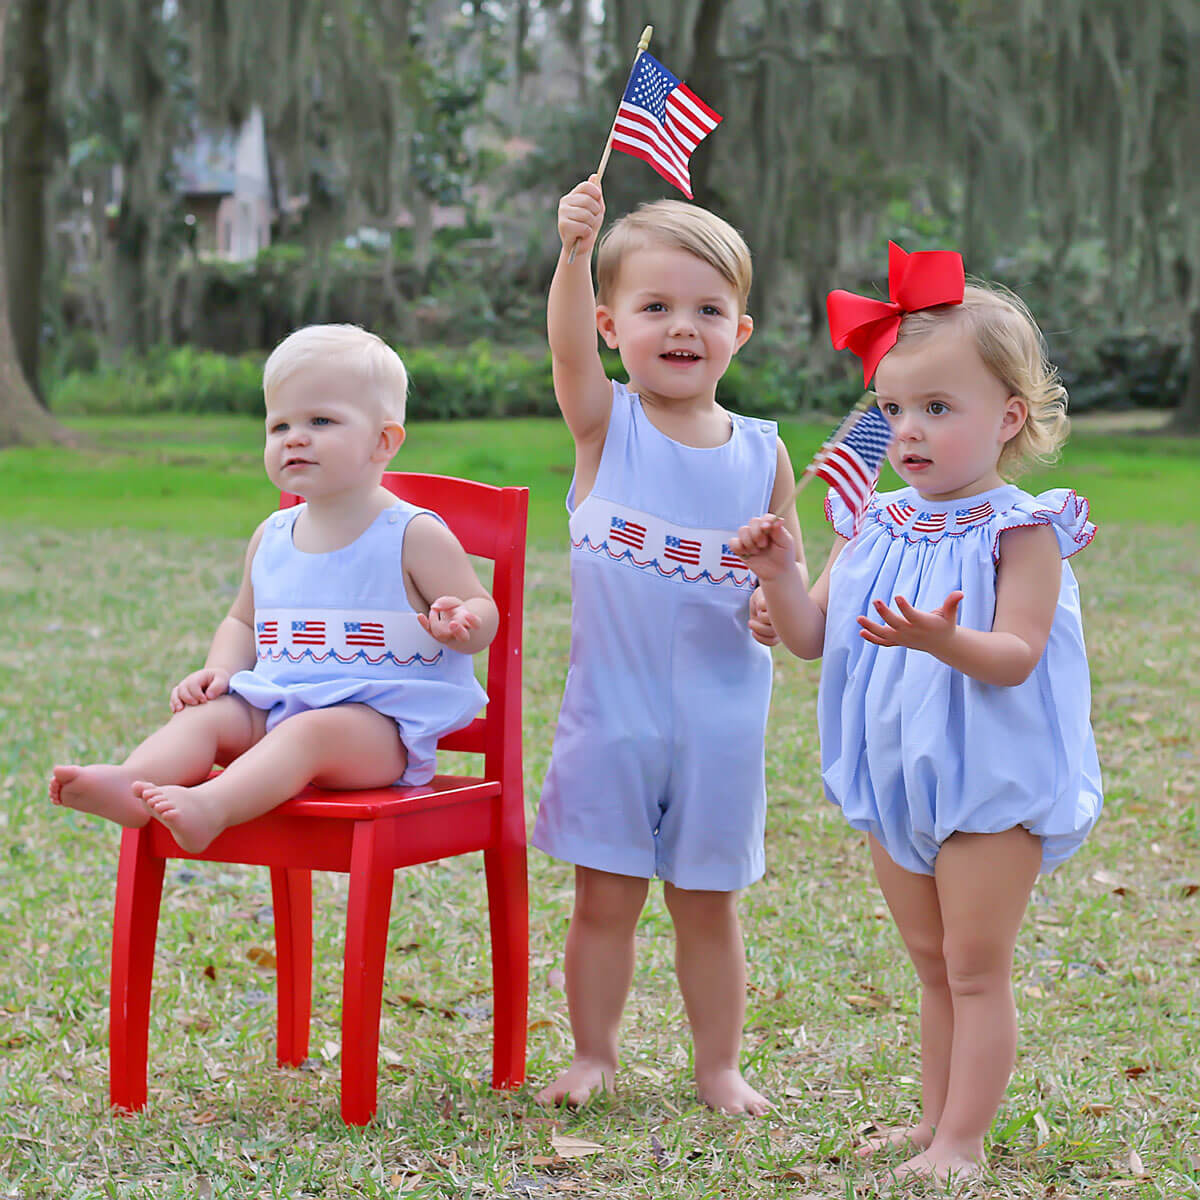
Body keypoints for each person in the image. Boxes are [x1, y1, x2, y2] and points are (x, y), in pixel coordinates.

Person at [731, 250, 1102, 1180]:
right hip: (898, 778)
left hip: (988, 780)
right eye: (893, 409)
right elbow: (813, 636)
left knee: (977, 970)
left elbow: (1015, 657)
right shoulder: (877, 525)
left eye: (938, 408)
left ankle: (962, 1142)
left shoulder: (1025, 529)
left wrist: (945, 643)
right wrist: (779, 574)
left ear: (1008, 416)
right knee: (933, 967)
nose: (909, 432)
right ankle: (933, 1119)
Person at [531, 175, 804, 1116]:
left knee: (706, 904)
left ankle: (718, 1066)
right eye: (655, 307)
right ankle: (595, 1052)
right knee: (604, 900)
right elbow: (563, 351)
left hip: (721, 722)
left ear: (741, 330)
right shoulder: (608, 425)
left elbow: (785, 581)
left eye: (707, 309)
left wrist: (775, 602)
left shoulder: (763, 452)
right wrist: (574, 255)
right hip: (613, 715)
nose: (682, 326)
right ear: (612, 326)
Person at [50, 324, 497, 854]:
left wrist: (462, 621)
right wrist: (222, 669)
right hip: (280, 703)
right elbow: (242, 620)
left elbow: (482, 610)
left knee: (308, 733)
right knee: (208, 717)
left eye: (321, 420)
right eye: (279, 424)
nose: (294, 437)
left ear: (383, 440)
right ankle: (133, 780)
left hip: (379, 730)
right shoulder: (273, 536)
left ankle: (212, 808)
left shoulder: (412, 534)